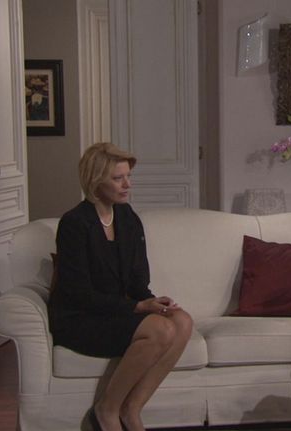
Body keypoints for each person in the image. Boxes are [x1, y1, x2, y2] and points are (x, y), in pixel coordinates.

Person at [48, 142, 192, 431]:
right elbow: (78, 294)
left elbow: (138, 280)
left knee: (182, 321)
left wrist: (153, 302)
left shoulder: (128, 218)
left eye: (128, 176)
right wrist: (138, 307)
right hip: (81, 317)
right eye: (118, 178)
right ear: (95, 181)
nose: (128, 185)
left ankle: (132, 408)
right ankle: (106, 409)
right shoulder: (74, 223)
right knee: (160, 330)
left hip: (116, 311)